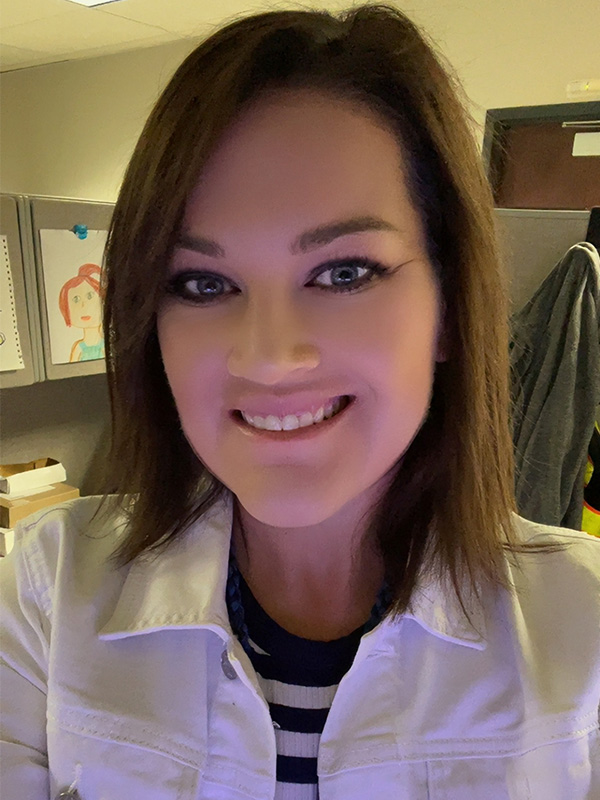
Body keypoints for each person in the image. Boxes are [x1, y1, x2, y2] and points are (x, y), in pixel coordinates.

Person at [1, 4, 598, 799]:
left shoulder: (585, 627)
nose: (271, 359)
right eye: (203, 283)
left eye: (345, 273)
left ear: (450, 308)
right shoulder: (51, 588)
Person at [58, 263, 105, 362]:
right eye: (76, 299)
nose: (83, 306)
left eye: (90, 296)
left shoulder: (105, 345)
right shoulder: (78, 348)